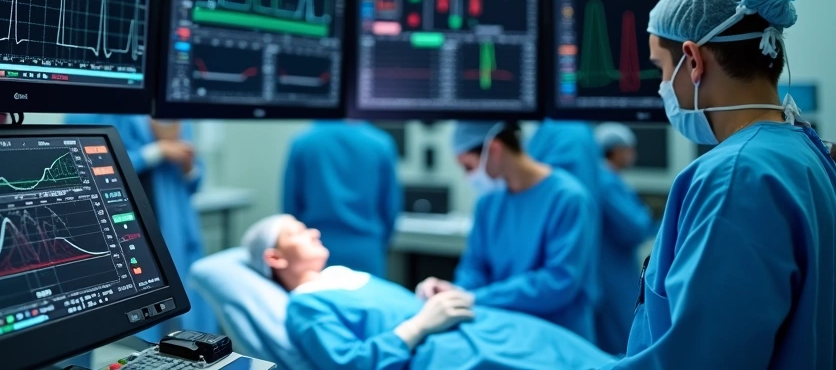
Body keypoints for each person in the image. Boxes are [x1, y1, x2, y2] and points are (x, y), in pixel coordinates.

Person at [603, 0, 836, 368]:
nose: (663, 85)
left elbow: (699, 359)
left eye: (662, 69)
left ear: (693, 61)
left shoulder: (734, 176)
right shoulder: (804, 149)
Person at [242, 214, 615, 370]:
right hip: (451, 353)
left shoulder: (343, 276)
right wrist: (419, 325)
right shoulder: (305, 306)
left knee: (580, 354)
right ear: (275, 258)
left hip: (479, 325)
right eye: (297, 233)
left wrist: (424, 297)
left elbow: (391, 311)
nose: (313, 232)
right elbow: (351, 364)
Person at [417, 121, 600, 341]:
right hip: (505, 332)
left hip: (559, 338)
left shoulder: (568, 198)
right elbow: (475, 267)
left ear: (494, 149)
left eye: (468, 167)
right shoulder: (488, 202)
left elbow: (558, 282)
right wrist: (453, 294)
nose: (467, 177)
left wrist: (475, 298)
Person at [61, 116, 216, 367]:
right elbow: (86, 168)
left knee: (181, 315)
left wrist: (189, 167)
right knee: (123, 322)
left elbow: (193, 181)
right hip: (122, 224)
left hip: (176, 227)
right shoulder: (95, 114)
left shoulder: (176, 116)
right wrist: (156, 152)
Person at [282, 121, 401, 278]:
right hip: (366, 250)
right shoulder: (379, 142)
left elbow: (291, 206)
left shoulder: (304, 142)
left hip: (315, 250)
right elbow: (390, 206)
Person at [592, 123, 655, 355]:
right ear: (616, 150)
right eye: (629, 149)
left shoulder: (604, 179)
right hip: (613, 278)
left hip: (610, 273)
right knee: (622, 343)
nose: (632, 154)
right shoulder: (606, 182)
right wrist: (646, 214)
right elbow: (636, 227)